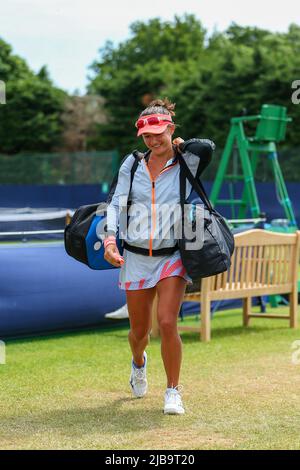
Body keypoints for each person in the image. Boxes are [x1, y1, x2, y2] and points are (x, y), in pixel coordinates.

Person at [104, 98, 214, 415]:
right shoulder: (132, 164)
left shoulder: (186, 161)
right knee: (139, 333)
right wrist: (110, 239)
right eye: (147, 136)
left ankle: (173, 391)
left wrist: (182, 144)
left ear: (170, 129)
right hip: (136, 258)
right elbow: (114, 203)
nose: (154, 141)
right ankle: (139, 362)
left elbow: (207, 147)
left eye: (159, 133)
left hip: (172, 257)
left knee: (167, 322)